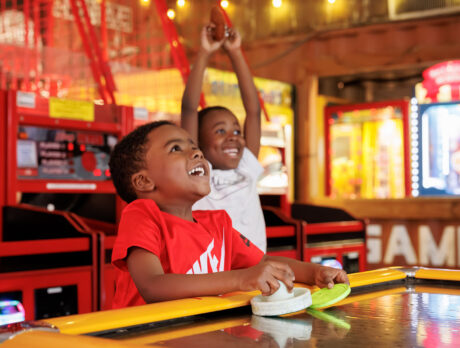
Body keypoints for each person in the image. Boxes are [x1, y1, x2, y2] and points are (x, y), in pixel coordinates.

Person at [108, 120, 348, 309]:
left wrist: (314, 273)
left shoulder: (217, 224)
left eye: (194, 146)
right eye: (176, 148)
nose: (196, 153)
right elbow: (152, 286)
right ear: (143, 181)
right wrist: (241, 279)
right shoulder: (142, 215)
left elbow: (262, 263)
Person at [181, 24, 267, 252]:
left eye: (237, 131)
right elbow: (189, 109)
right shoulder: (199, 173)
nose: (233, 138)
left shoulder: (246, 168)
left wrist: (236, 52)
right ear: (196, 142)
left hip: (256, 272)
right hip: (218, 277)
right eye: (220, 131)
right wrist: (205, 52)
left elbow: (254, 112)